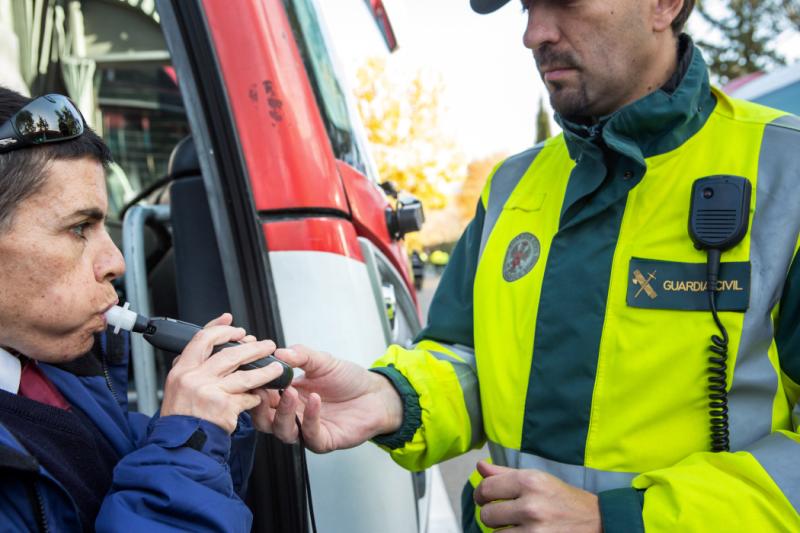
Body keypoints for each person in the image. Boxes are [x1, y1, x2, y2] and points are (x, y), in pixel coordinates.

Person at [256, 0, 800, 530]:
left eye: (565, 3)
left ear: (664, 6)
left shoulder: (787, 170)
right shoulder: (512, 185)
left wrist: (615, 520)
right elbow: (465, 356)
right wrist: (392, 399)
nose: (534, 33)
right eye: (525, 8)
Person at [0, 88, 284, 531]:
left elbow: (128, 469)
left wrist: (220, 419)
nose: (115, 261)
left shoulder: (58, 368)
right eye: (79, 228)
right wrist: (188, 443)